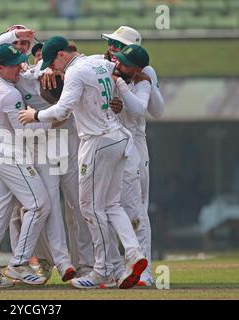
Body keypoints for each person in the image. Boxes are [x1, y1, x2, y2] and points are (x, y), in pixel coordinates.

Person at [19, 36, 147, 289]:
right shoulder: (98, 62)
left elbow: (62, 110)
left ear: (62, 55)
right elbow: (120, 70)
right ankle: (133, 255)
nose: (52, 68)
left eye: (52, 62)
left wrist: (34, 114)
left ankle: (101, 271)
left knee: (89, 207)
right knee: (112, 204)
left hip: (97, 142)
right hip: (119, 138)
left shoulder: (76, 72)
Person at [0, 43, 61, 288]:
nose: (19, 68)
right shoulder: (10, 93)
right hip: (10, 155)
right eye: (13, 65)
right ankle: (19, 263)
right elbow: (24, 131)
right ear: (0, 67)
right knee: (40, 204)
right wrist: (52, 121)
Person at [99, 26, 165, 286]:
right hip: (107, 140)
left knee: (136, 208)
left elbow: (154, 111)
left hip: (134, 142)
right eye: (112, 43)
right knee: (105, 207)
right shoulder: (103, 65)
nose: (112, 47)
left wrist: (147, 84)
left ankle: (144, 273)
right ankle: (114, 270)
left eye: (118, 44)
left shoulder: (144, 71)